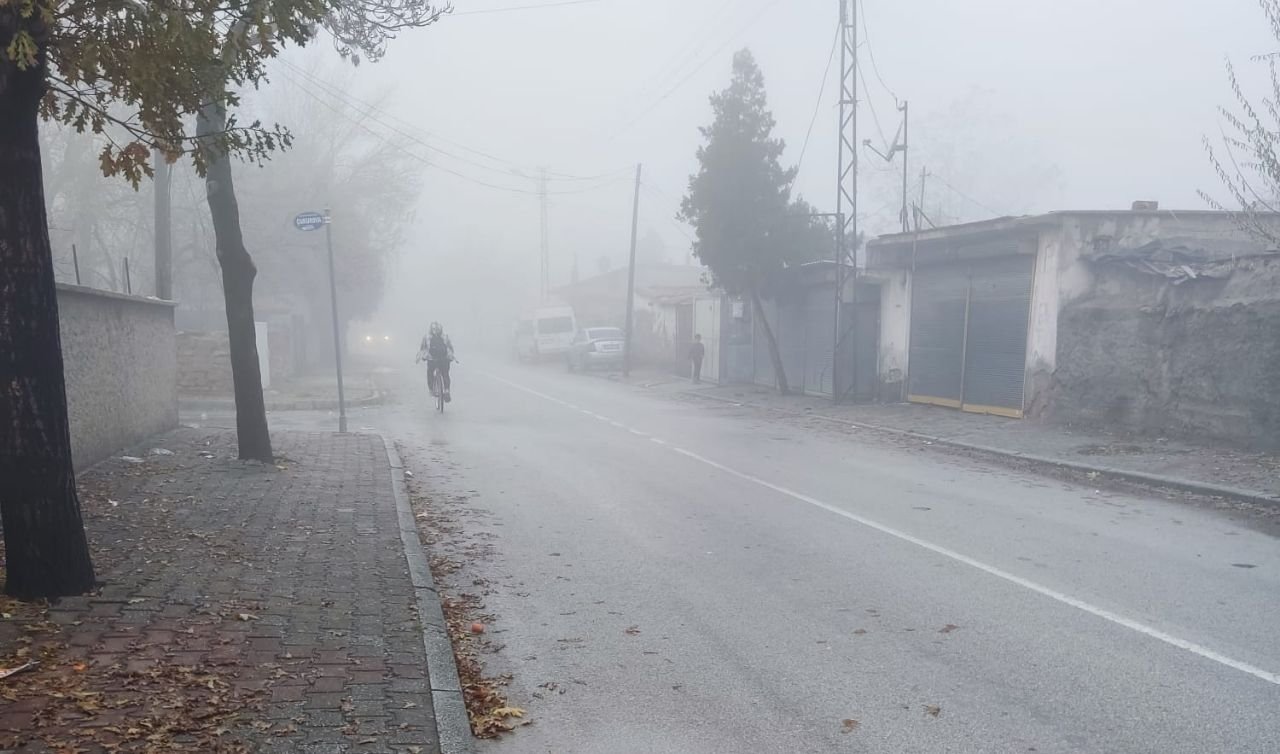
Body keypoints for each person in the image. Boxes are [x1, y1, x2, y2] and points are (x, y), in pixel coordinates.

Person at [415, 322, 456, 402]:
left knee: (430, 373)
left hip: (432, 360)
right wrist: (451, 357)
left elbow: (422, 349)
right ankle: (447, 390)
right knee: (445, 374)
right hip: (444, 359)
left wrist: (422, 357)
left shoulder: (426, 337)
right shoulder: (445, 336)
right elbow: (450, 348)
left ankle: (431, 389)